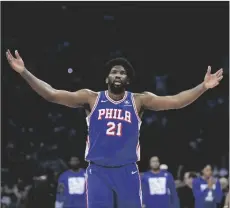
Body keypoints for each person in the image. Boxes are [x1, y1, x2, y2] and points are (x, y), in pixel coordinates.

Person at [6, 49, 223, 208]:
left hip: (127, 171)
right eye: (114, 72)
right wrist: (25, 72)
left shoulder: (139, 101)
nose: (118, 75)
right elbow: (51, 94)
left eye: (122, 73)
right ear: (107, 77)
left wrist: (203, 87)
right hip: (98, 171)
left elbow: (175, 101)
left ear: (127, 80)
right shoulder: (91, 98)